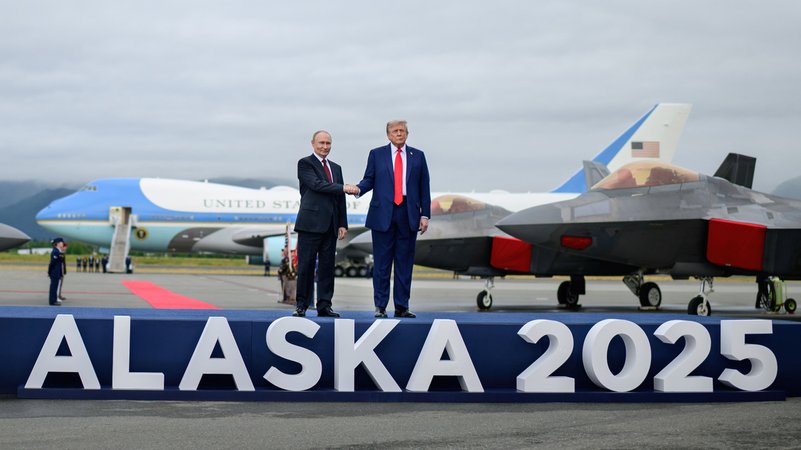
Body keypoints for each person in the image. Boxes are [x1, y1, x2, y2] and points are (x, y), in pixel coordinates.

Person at [350, 120, 431, 318]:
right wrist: (359, 189)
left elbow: (424, 188)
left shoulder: (418, 156)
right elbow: (370, 179)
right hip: (383, 214)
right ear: (388, 135)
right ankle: (380, 306)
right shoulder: (376, 154)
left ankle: (402, 307)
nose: (399, 134)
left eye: (402, 131)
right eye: (395, 131)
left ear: (407, 134)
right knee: (382, 264)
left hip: (408, 214)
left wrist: (425, 214)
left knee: (404, 263)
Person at [292, 130, 349, 318]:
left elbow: (340, 199)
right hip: (310, 224)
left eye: (328, 143)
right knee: (306, 266)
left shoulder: (337, 168)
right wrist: (343, 187)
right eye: (321, 143)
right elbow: (317, 185)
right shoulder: (305, 164)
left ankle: (324, 306)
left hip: (331, 226)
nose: (325, 147)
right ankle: (302, 305)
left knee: (327, 268)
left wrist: (342, 223)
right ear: (313, 144)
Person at [47, 238, 67, 306]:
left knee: (55, 287)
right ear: (58, 243)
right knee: (53, 287)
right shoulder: (55, 251)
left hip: (56, 272)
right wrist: (50, 272)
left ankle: (54, 300)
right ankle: (52, 301)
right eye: (61, 242)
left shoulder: (58, 251)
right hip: (54, 272)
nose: (62, 244)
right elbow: (52, 263)